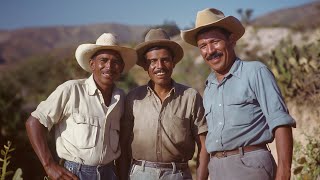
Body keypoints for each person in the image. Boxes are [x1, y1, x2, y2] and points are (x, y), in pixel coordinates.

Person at [181, 8, 296, 180]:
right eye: (203, 46)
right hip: (217, 169)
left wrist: (283, 174)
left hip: (251, 167)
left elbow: (280, 123)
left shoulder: (255, 72)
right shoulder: (209, 86)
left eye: (215, 42)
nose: (210, 50)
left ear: (231, 40)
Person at [25, 33, 137, 180]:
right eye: (103, 60)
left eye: (115, 62)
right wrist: (49, 165)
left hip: (109, 173)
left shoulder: (121, 98)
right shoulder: (71, 90)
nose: (109, 66)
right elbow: (34, 122)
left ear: (121, 67)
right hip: (75, 173)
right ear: (92, 64)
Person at [118, 28, 209, 180]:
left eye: (165, 59)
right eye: (152, 61)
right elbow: (123, 145)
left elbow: (204, 145)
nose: (159, 66)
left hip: (178, 174)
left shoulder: (190, 97)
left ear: (173, 63)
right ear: (146, 66)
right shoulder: (133, 98)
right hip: (140, 174)